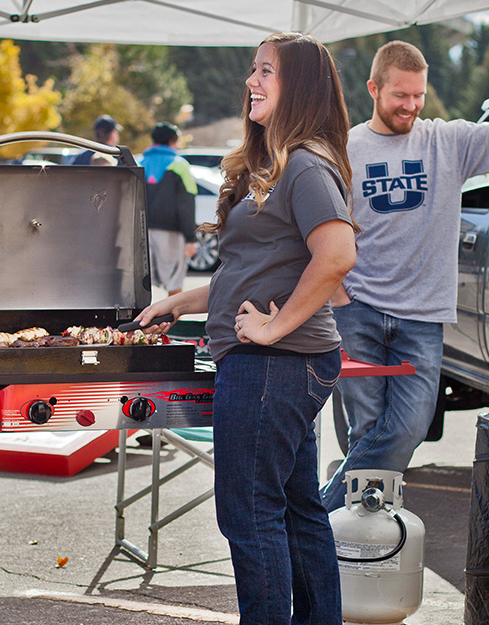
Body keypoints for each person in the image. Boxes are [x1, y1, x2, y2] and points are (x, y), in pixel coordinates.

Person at [135, 32, 356, 624]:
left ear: (300, 89)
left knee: (249, 513)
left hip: (275, 367)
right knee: (295, 509)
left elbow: (335, 255)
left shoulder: (306, 166)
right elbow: (253, 273)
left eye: (267, 72)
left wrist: (275, 326)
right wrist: (180, 302)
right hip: (278, 363)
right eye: (253, 70)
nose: (251, 83)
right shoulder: (272, 166)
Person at [320, 40, 489, 512]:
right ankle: (354, 549)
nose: (410, 106)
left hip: (421, 320)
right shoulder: (344, 149)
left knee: (406, 428)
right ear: (373, 89)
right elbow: (326, 233)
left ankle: (310, 519)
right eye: (399, 96)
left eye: (418, 96)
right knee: (366, 432)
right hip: (358, 313)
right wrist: (342, 301)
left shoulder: (447, 141)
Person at [141, 122, 198, 296]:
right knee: (174, 279)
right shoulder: (180, 165)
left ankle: (141, 321)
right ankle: (173, 322)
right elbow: (186, 203)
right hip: (172, 232)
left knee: (141, 282)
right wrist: (190, 238)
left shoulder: (138, 162)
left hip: (141, 232)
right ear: (173, 141)